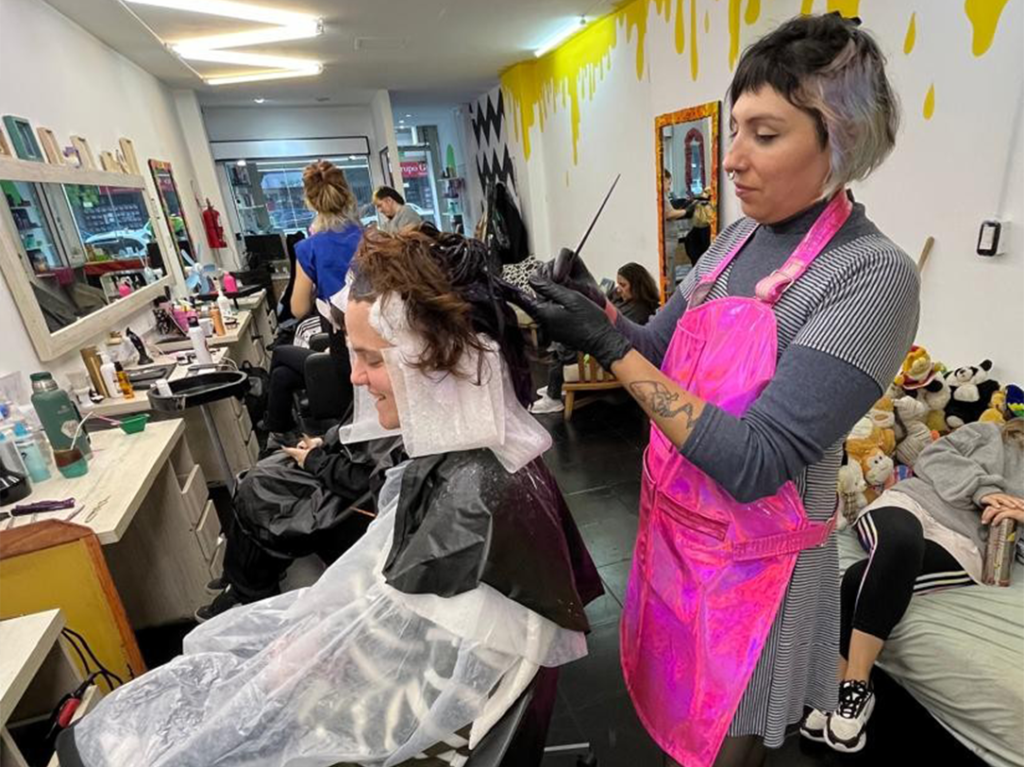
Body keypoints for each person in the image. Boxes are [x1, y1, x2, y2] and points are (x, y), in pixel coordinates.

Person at [520, 14, 919, 767]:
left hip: (759, 574)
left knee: (724, 748)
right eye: (735, 129)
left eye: (764, 135)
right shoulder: (736, 241)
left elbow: (755, 461)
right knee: (672, 719)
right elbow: (661, 353)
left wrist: (608, 345)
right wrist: (600, 310)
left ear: (842, 138)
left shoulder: (870, 276)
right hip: (678, 538)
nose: (731, 159)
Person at [57, 229, 602, 767]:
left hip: (406, 727)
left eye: (372, 359)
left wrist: (293, 671)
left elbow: (399, 681)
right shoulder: (490, 455)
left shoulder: (473, 499)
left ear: (437, 358)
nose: (356, 377)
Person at [809, 419, 1024, 753]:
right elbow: (932, 457)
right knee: (898, 546)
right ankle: (857, 683)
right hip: (913, 504)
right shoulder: (990, 433)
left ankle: (833, 687)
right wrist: (985, 491)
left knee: (862, 575)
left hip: (965, 543)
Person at [193, 424, 403, 622]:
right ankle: (241, 579)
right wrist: (325, 441)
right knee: (262, 477)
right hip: (348, 474)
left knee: (261, 493)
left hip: (365, 503)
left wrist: (316, 460)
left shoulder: (409, 432)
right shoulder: (396, 411)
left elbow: (375, 482)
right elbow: (362, 427)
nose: (359, 383)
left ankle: (245, 588)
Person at [264, 161, 362, 442]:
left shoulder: (310, 248)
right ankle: (278, 430)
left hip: (343, 351)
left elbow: (298, 309)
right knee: (282, 375)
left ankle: (278, 436)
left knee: (280, 354)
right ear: (347, 194)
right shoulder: (371, 238)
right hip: (374, 339)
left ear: (309, 201)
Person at [531, 262, 659, 415]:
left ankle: (553, 397)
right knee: (563, 339)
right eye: (618, 284)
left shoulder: (638, 310)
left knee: (563, 346)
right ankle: (556, 386)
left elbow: (614, 332)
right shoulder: (625, 301)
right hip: (601, 346)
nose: (619, 289)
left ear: (637, 286)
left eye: (623, 285)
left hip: (603, 353)